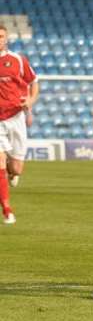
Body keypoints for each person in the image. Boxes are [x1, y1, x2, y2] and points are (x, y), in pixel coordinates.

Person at [0, 24, 39, 224]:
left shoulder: (18, 60)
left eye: (1, 36)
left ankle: (10, 169)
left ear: (6, 39)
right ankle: (7, 209)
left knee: (15, 169)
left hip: (16, 118)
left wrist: (30, 102)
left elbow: (34, 82)